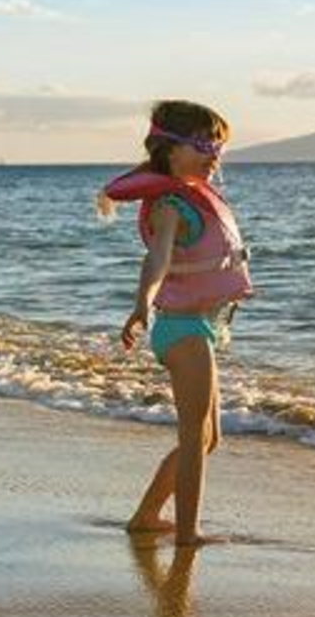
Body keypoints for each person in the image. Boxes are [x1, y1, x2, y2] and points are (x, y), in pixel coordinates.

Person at [100, 99, 255, 546]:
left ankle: (147, 516)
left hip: (201, 326)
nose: (214, 155)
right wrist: (142, 305)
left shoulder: (194, 198)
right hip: (181, 329)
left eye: (219, 146)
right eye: (204, 145)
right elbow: (157, 261)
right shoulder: (169, 205)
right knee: (192, 438)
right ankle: (188, 533)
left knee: (209, 439)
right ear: (171, 149)